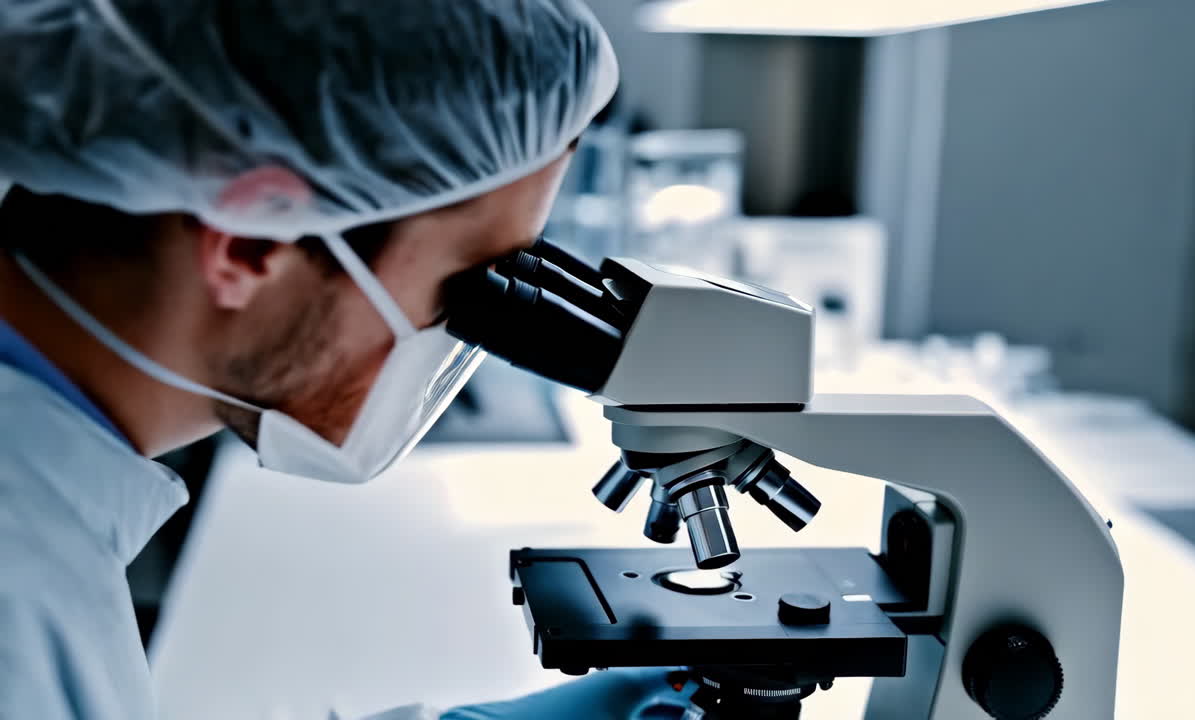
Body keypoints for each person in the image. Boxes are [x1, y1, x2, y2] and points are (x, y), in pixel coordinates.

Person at [0, 0, 691, 718]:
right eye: (469, 292)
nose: (465, 338)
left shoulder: (44, 489)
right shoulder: (18, 612)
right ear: (251, 244)